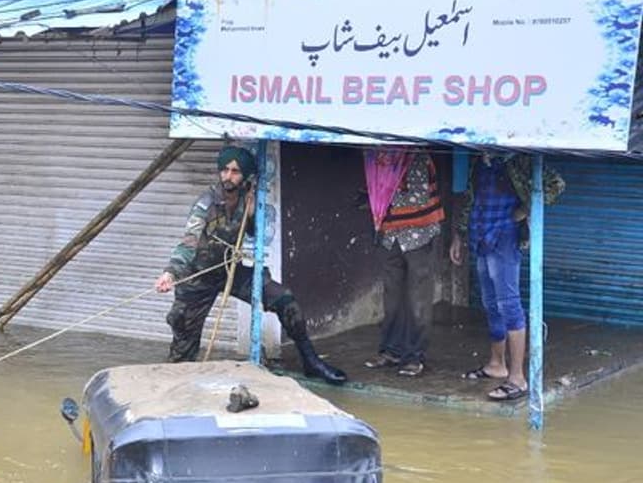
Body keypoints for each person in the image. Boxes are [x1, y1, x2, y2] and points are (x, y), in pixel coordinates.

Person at [154, 145, 348, 385]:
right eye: (225, 170)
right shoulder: (206, 203)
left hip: (229, 271)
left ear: (245, 175)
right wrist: (170, 273)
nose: (228, 176)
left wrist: (254, 212)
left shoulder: (249, 198)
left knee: (285, 299)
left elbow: (256, 234)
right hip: (197, 276)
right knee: (182, 353)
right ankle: (175, 387)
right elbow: (188, 243)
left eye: (235, 171)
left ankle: (311, 360)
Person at [450, 152, 565, 402]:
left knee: (508, 305)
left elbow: (555, 185)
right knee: (491, 304)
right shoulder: (478, 161)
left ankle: (517, 378)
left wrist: (524, 210)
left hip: (505, 238)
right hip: (481, 236)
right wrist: (459, 234)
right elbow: (471, 199)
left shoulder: (519, 159)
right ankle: (496, 364)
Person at [362, 148, 445, 377]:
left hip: (418, 235)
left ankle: (414, 356)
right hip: (391, 237)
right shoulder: (380, 161)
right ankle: (391, 351)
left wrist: (383, 200)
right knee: (392, 298)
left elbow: (418, 198)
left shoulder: (417, 157)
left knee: (418, 300)